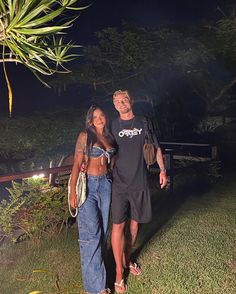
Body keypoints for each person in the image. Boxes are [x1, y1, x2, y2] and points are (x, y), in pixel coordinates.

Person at [110, 90, 168, 293]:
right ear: (114, 105)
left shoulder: (144, 122)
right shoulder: (112, 125)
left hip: (139, 182)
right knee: (118, 227)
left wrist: (162, 170)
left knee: (134, 226)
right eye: (117, 101)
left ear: (131, 101)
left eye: (124, 99)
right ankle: (119, 273)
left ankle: (127, 259)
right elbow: (106, 149)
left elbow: (156, 147)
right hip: (118, 184)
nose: (121, 103)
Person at [69, 105, 115, 294]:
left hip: (106, 185)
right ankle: (97, 288)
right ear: (90, 120)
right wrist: (73, 191)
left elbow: (114, 162)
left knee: (103, 232)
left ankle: (94, 281)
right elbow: (76, 164)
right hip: (88, 186)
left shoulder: (109, 137)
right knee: (91, 236)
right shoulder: (84, 136)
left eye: (102, 115)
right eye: (95, 116)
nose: (99, 118)